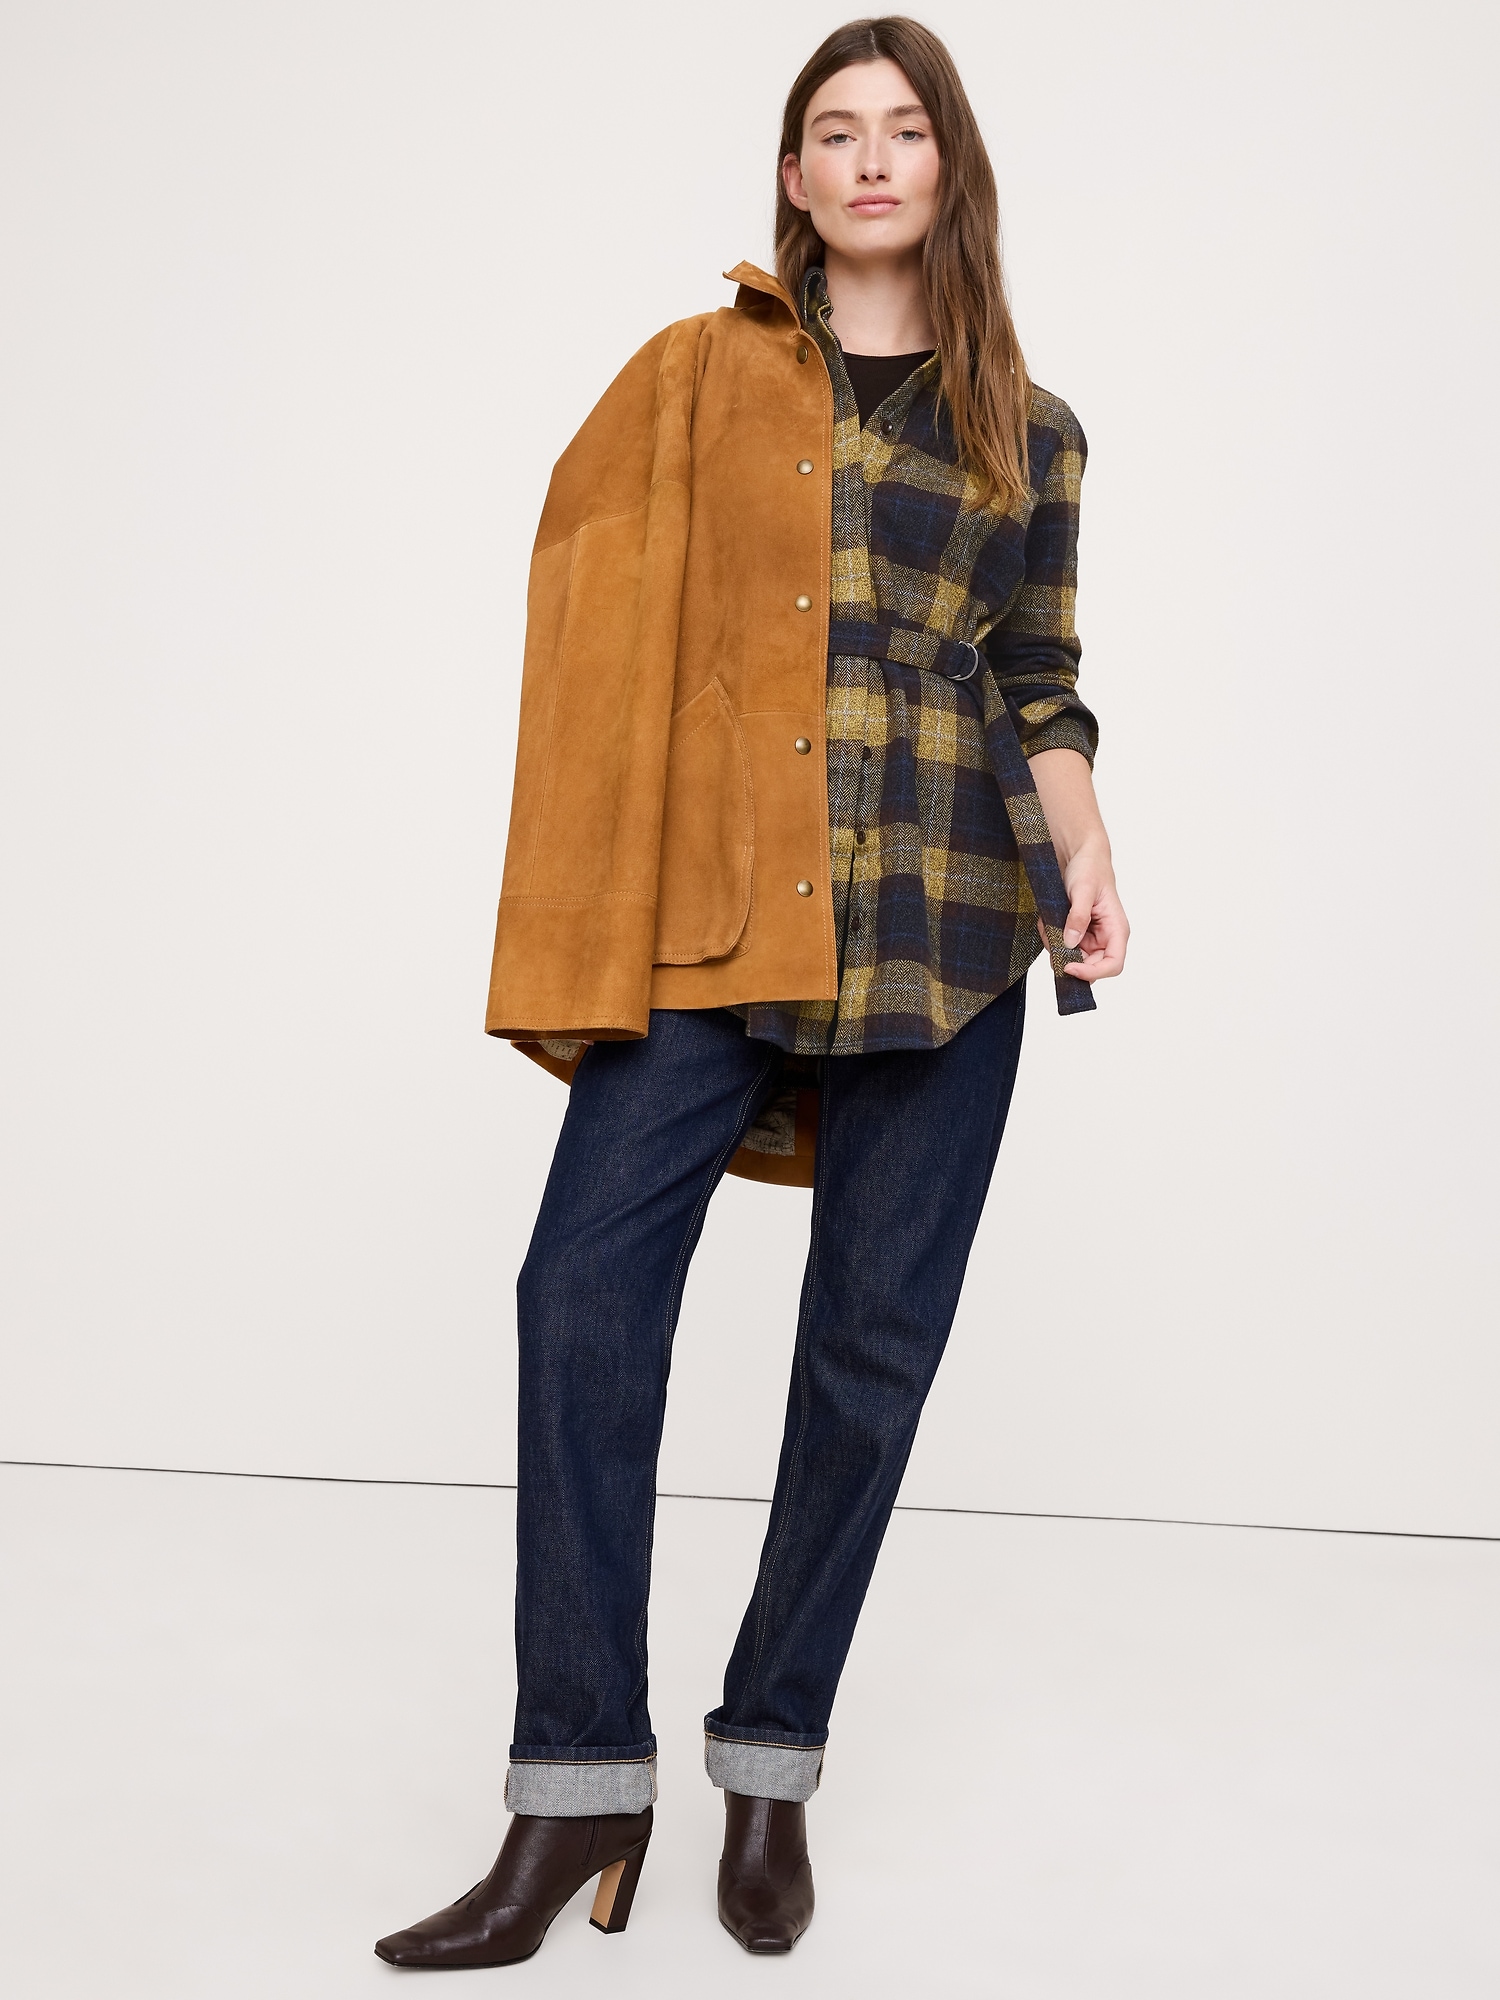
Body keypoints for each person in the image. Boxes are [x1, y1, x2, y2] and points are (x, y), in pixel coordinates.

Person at [376, 12, 1128, 1971]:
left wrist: (1090, 852)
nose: (872, 159)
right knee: (580, 1294)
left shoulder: (1030, 427)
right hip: (717, 914)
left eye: (906, 129)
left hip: (952, 919)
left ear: (949, 168)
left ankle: (772, 1760)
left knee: (870, 1356)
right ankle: (578, 1781)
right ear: (793, 177)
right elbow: (604, 612)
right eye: (835, 131)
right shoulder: (698, 378)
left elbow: (1038, 680)